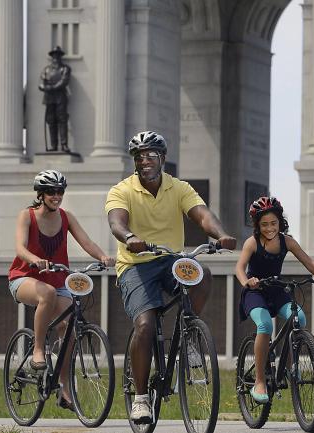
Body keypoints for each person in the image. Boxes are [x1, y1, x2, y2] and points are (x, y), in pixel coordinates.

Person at [105, 131, 236, 423]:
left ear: (162, 158)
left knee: (202, 275)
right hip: (135, 265)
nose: (145, 161)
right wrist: (130, 237)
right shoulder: (121, 190)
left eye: (151, 156)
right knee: (145, 325)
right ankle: (141, 399)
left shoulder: (179, 188)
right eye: (140, 157)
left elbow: (202, 214)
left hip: (169, 260)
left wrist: (221, 234)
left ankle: (188, 334)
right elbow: (116, 221)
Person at [8, 169, 115, 411]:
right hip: (24, 277)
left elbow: (86, 242)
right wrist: (35, 260)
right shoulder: (27, 216)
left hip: (58, 280)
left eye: (60, 191)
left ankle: (65, 387)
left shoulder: (66, 217)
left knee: (70, 328)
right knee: (46, 293)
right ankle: (38, 349)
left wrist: (103, 257)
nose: (56, 196)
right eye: (51, 192)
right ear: (41, 194)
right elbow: (20, 248)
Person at [234, 196, 314, 404]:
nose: (269, 228)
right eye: (264, 224)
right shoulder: (252, 243)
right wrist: (247, 282)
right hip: (255, 292)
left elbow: (308, 261)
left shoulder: (287, 241)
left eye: (273, 223)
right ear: (257, 225)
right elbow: (239, 268)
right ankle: (259, 381)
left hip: (277, 289)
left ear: (280, 222)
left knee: (299, 318)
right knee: (265, 326)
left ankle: (290, 367)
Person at [39, 46, 71, 152]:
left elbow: (64, 81)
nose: (55, 58)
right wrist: (43, 87)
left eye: (57, 55)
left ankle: (64, 144)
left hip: (60, 97)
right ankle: (53, 145)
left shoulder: (65, 69)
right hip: (49, 97)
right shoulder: (46, 70)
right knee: (51, 121)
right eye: (54, 56)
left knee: (62, 120)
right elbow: (41, 83)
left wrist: (52, 87)